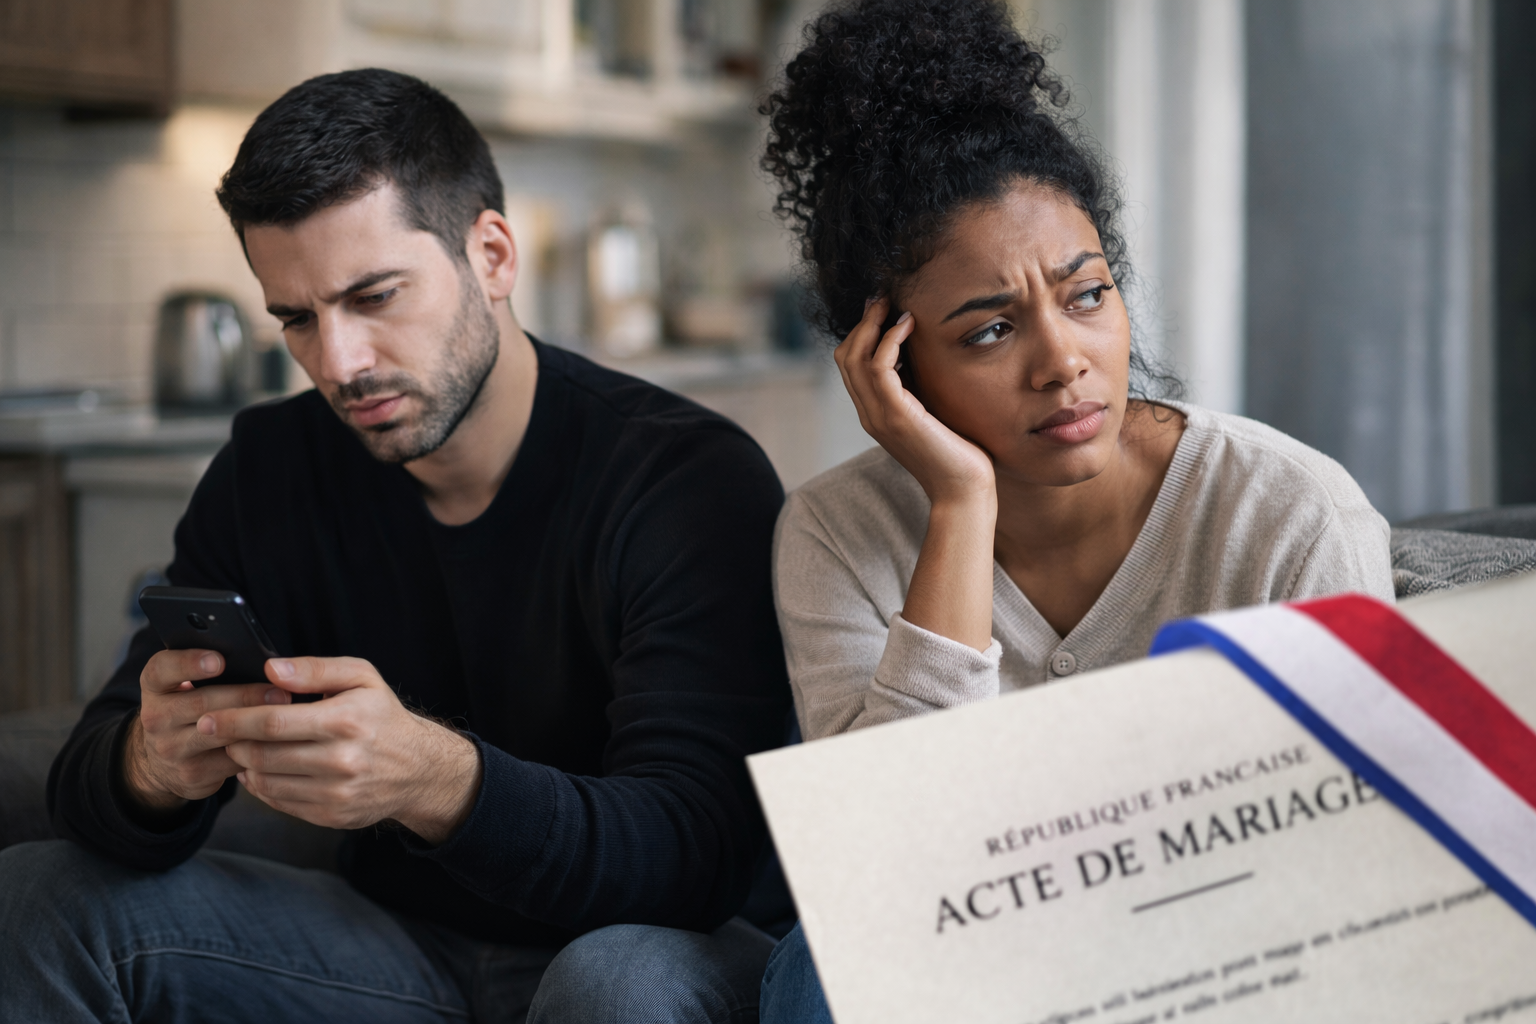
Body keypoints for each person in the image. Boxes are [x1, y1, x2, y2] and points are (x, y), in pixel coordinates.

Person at [0, 69, 792, 1023]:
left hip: (637, 950)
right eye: (297, 318)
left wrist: (434, 779)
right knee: (37, 899)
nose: (338, 363)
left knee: (613, 985)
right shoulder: (271, 469)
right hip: (394, 949)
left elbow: (694, 856)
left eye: (374, 296)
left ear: (491, 255)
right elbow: (96, 773)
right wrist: (150, 768)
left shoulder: (683, 480)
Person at [753, 2, 1394, 1019]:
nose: (1064, 360)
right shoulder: (836, 533)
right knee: (826, 967)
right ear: (893, 362)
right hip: (950, 972)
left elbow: (1349, 873)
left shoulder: (1287, 513)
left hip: (1222, 970)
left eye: (1087, 294)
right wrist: (959, 504)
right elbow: (879, 869)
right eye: (991, 328)